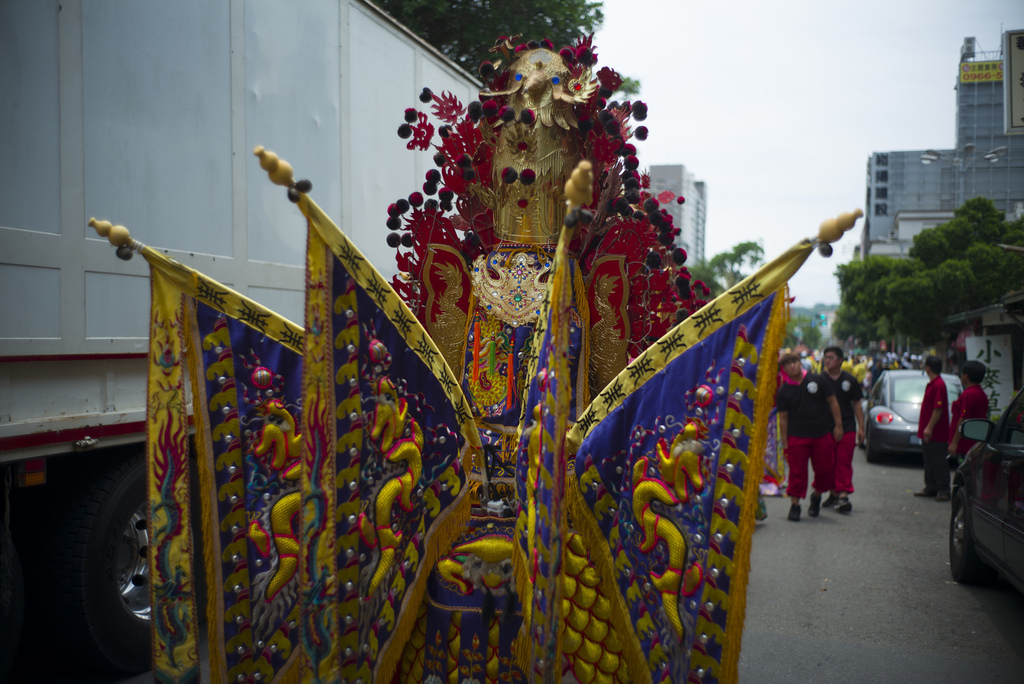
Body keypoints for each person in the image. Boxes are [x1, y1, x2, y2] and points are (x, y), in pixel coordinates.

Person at [777, 352, 845, 521]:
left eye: (794, 362)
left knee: (825, 470)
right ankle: (795, 505)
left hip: (821, 434)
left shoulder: (818, 381)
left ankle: (816, 496)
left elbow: (832, 401)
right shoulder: (783, 390)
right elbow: (783, 418)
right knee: (796, 473)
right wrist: (785, 441)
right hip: (796, 437)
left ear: (801, 363)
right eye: (788, 364)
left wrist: (838, 425)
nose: (792, 365)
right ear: (784, 369)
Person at [821, 346, 865, 513]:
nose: (827, 360)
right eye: (826, 357)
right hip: (825, 427)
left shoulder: (850, 380)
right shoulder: (819, 380)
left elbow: (857, 405)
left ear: (840, 360)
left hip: (847, 427)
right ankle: (833, 494)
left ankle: (843, 496)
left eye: (831, 357)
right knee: (828, 463)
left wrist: (861, 427)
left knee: (843, 462)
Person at [915, 355, 951, 501]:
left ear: (928, 368)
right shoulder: (932, 384)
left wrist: (929, 427)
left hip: (937, 432)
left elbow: (938, 409)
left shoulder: (938, 385)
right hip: (929, 431)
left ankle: (943, 489)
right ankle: (931, 487)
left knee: (938, 460)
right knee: (929, 458)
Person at [948, 360, 988, 464]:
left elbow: (963, 419)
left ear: (966, 376)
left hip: (967, 445)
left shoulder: (969, 394)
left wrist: (954, 443)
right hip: (975, 443)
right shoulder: (981, 393)